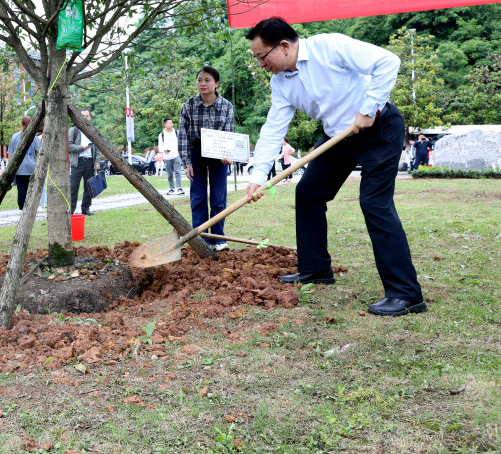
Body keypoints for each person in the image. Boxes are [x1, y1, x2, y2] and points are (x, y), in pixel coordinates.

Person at [243, 17, 425, 317]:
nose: (261, 64)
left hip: (379, 129)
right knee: (309, 192)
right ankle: (316, 269)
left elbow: (388, 61)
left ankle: (406, 293)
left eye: (262, 57)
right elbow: (274, 128)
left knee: (374, 203)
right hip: (337, 137)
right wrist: (258, 176)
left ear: (284, 46)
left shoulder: (330, 46)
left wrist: (368, 108)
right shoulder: (280, 83)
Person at [179, 66, 234, 251]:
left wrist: (228, 155)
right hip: (197, 154)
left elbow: (229, 134)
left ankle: (218, 239)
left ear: (216, 83)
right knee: (198, 197)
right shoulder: (189, 105)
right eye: (199, 80)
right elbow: (183, 136)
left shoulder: (226, 106)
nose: (202, 83)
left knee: (219, 197)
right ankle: (201, 239)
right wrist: (186, 162)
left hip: (219, 155)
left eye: (207, 80)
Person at [68, 109, 100, 216]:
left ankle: (85, 208)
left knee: (89, 187)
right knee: (73, 188)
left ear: (90, 118)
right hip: (77, 163)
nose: (85, 118)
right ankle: (71, 210)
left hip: (90, 163)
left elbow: (98, 148)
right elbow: (69, 146)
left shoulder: (93, 131)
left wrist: (97, 162)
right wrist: (82, 148)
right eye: (83, 116)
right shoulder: (73, 130)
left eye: (87, 116)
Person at [8, 115, 42, 210]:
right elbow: (39, 152)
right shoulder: (35, 137)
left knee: (21, 189)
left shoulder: (15, 137)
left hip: (20, 167)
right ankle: (30, 207)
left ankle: (22, 208)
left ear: (21, 124)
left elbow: (11, 154)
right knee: (31, 189)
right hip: (32, 166)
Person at [159, 118, 183, 194]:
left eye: (172, 123)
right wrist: (164, 150)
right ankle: (171, 189)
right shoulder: (161, 134)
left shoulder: (176, 132)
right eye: (169, 123)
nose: (171, 124)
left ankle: (179, 188)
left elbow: (181, 142)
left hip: (176, 154)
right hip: (167, 156)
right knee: (169, 173)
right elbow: (160, 146)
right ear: (165, 124)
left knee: (178, 172)